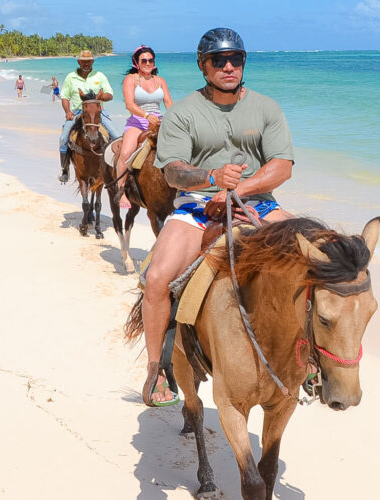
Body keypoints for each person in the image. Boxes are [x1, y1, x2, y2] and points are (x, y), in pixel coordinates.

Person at [140, 28, 294, 406]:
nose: (229, 67)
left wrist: (238, 190)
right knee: (157, 277)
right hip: (195, 206)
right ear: (203, 66)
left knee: (313, 260)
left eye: (236, 59)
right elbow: (172, 171)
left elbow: (282, 166)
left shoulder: (266, 107)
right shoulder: (183, 112)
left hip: (257, 205)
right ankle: (155, 369)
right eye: (219, 61)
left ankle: (307, 359)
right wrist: (210, 178)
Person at [115, 45, 173, 209]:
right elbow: (129, 104)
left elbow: (168, 102)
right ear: (137, 63)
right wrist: (147, 116)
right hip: (137, 122)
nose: (148, 63)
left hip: (159, 122)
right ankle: (121, 191)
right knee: (126, 152)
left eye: (150, 60)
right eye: (144, 60)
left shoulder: (160, 81)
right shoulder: (131, 79)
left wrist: (177, 116)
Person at [57, 50, 120, 184]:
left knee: (116, 136)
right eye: (84, 61)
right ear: (79, 62)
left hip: (97, 111)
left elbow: (110, 94)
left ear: (93, 62)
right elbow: (64, 97)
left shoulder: (100, 76)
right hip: (77, 111)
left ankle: (116, 170)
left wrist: (101, 97)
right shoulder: (70, 77)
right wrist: (67, 111)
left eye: (89, 61)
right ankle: (64, 169)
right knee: (63, 138)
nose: (86, 64)